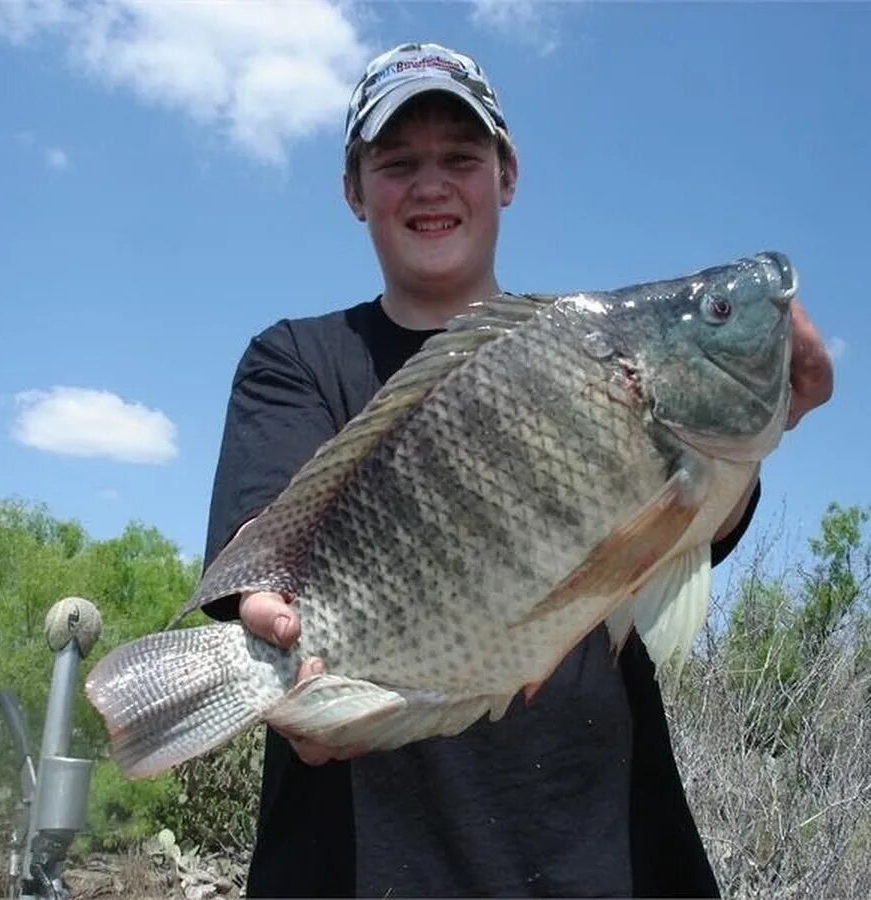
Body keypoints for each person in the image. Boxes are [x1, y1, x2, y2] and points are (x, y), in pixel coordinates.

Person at [203, 42, 833, 898]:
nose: (432, 183)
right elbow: (263, 536)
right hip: (362, 865)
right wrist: (275, 638)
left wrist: (765, 419)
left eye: (461, 157)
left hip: (597, 854)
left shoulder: (591, 351)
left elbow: (679, 535)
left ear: (507, 174)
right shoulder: (296, 362)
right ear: (354, 190)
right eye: (398, 162)